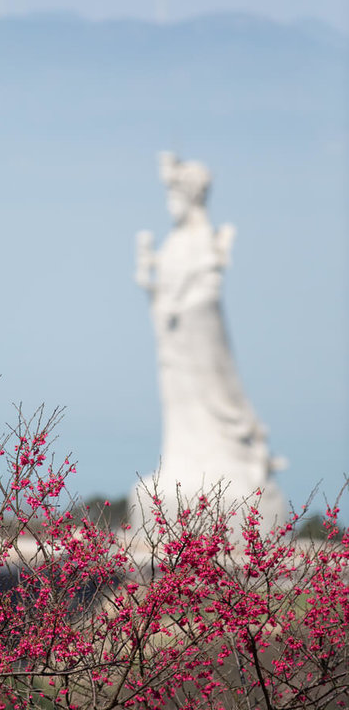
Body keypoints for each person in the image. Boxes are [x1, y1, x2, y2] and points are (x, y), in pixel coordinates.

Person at [133, 153, 286, 531]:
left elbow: (207, 297)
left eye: (174, 197)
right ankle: (181, 467)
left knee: (212, 397)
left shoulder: (201, 239)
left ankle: (225, 468)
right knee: (179, 405)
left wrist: (177, 308)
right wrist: (156, 294)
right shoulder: (174, 241)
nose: (170, 206)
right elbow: (166, 294)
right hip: (175, 350)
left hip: (198, 344)